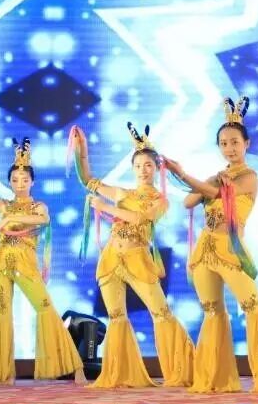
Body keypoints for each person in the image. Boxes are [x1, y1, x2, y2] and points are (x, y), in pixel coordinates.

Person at [164, 96, 258, 393]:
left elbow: (213, 194)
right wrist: (202, 181)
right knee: (212, 311)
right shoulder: (216, 177)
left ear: (247, 144)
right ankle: (216, 379)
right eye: (223, 143)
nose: (229, 148)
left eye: (234, 142)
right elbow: (189, 201)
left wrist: (183, 174)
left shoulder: (249, 177)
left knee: (252, 306)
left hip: (231, 249)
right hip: (205, 250)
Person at [70, 123, 194, 388]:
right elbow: (87, 180)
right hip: (111, 259)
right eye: (138, 166)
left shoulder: (160, 200)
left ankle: (181, 371)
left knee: (161, 312)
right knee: (117, 316)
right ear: (132, 168)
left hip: (138, 260)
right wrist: (82, 149)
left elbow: (139, 219)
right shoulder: (122, 194)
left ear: (156, 168)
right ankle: (121, 374)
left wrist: (105, 207)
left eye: (148, 165)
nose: (143, 170)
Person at [0, 137, 84, 385]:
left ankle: (75, 367)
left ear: (32, 182)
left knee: (45, 308)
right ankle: (3, 373)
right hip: (0, 264)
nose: (19, 184)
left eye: (24, 180)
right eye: (14, 180)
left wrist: (10, 220)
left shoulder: (38, 207)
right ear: (9, 182)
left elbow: (43, 220)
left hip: (25, 265)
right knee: (1, 313)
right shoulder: (3, 205)